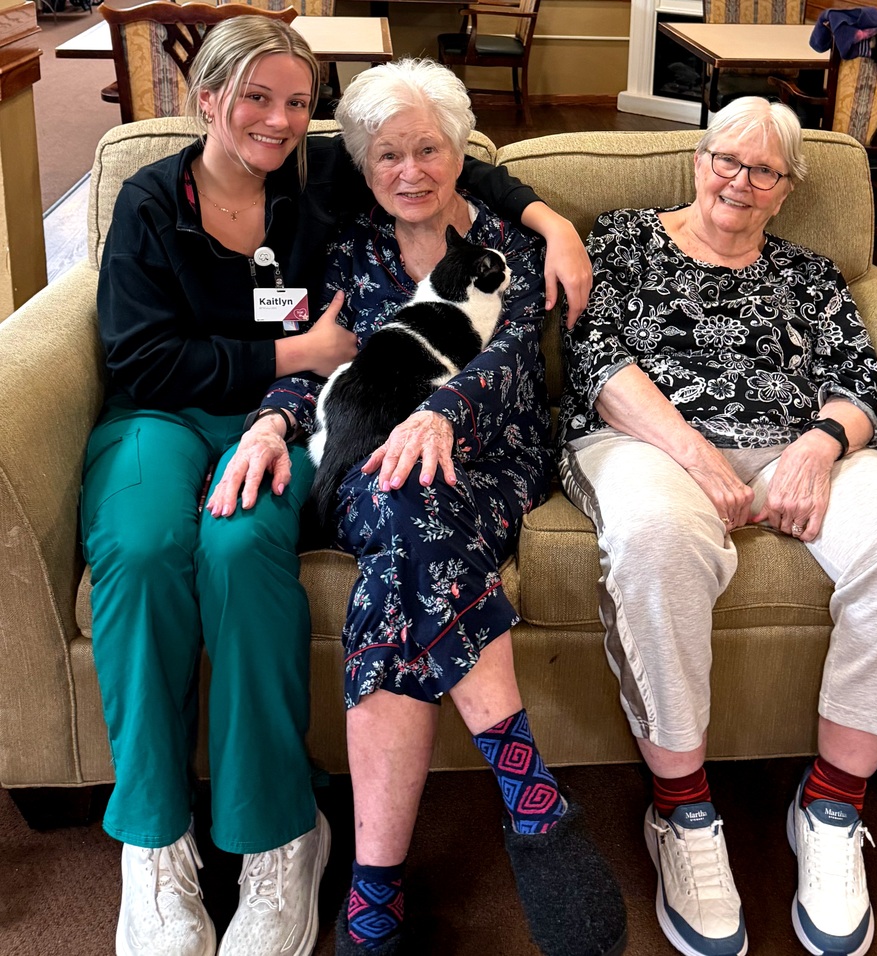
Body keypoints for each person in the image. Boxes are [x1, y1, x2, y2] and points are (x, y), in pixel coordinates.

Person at [86, 18, 594, 956]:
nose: (279, 120)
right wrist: (278, 407)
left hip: (443, 446)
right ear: (208, 100)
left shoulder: (366, 194)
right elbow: (280, 354)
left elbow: (462, 193)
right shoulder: (221, 211)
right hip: (257, 430)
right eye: (256, 99)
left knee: (318, 529)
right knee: (179, 544)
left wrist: (551, 220)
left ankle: (329, 857)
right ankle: (161, 841)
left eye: (295, 102)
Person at [212, 58, 628, 956]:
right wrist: (270, 425)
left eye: (429, 150)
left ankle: (376, 885)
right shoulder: (346, 246)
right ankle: (529, 794)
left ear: (459, 152)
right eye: (388, 155)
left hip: (492, 451)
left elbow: (512, 358)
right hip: (373, 462)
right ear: (363, 166)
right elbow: (316, 359)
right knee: (402, 496)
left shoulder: (510, 245)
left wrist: (440, 413)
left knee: (404, 521)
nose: (411, 171)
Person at [556, 97, 877, 956]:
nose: (740, 181)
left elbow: (858, 385)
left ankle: (832, 803)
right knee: (658, 539)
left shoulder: (811, 274)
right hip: (648, 440)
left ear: (787, 189)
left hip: (792, 446)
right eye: (726, 160)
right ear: (698, 161)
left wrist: (819, 446)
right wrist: (699, 457)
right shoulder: (624, 239)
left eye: (765, 170)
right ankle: (681, 810)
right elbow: (598, 365)